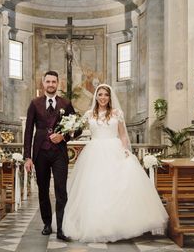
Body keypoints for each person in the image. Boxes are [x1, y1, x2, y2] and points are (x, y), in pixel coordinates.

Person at [63, 84, 168, 242]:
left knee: (117, 187)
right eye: (100, 95)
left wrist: (126, 150)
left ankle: (119, 225)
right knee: (95, 188)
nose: (103, 97)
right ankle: (97, 225)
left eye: (106, 95)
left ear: (109, 97)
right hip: (94, 152)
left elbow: (123, 135)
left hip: (114, 149)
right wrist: (69, 129)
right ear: (96, 97)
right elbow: (76, 131)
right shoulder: (89, 114)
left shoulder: (117, 113)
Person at [23, 71, 79, 241]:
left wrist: (64, 136)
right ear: (43, 83)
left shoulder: (66, 103)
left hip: (59, 153)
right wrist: (28, 157)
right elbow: (28, 131)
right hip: (40, 153)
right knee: (43, 189)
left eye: (54, 82)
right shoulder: (34, 103)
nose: (51, 84)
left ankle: (61, 227)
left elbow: (77, 128)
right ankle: (47, 223)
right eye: (48, 81)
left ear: (58, 84)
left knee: (61, 189)